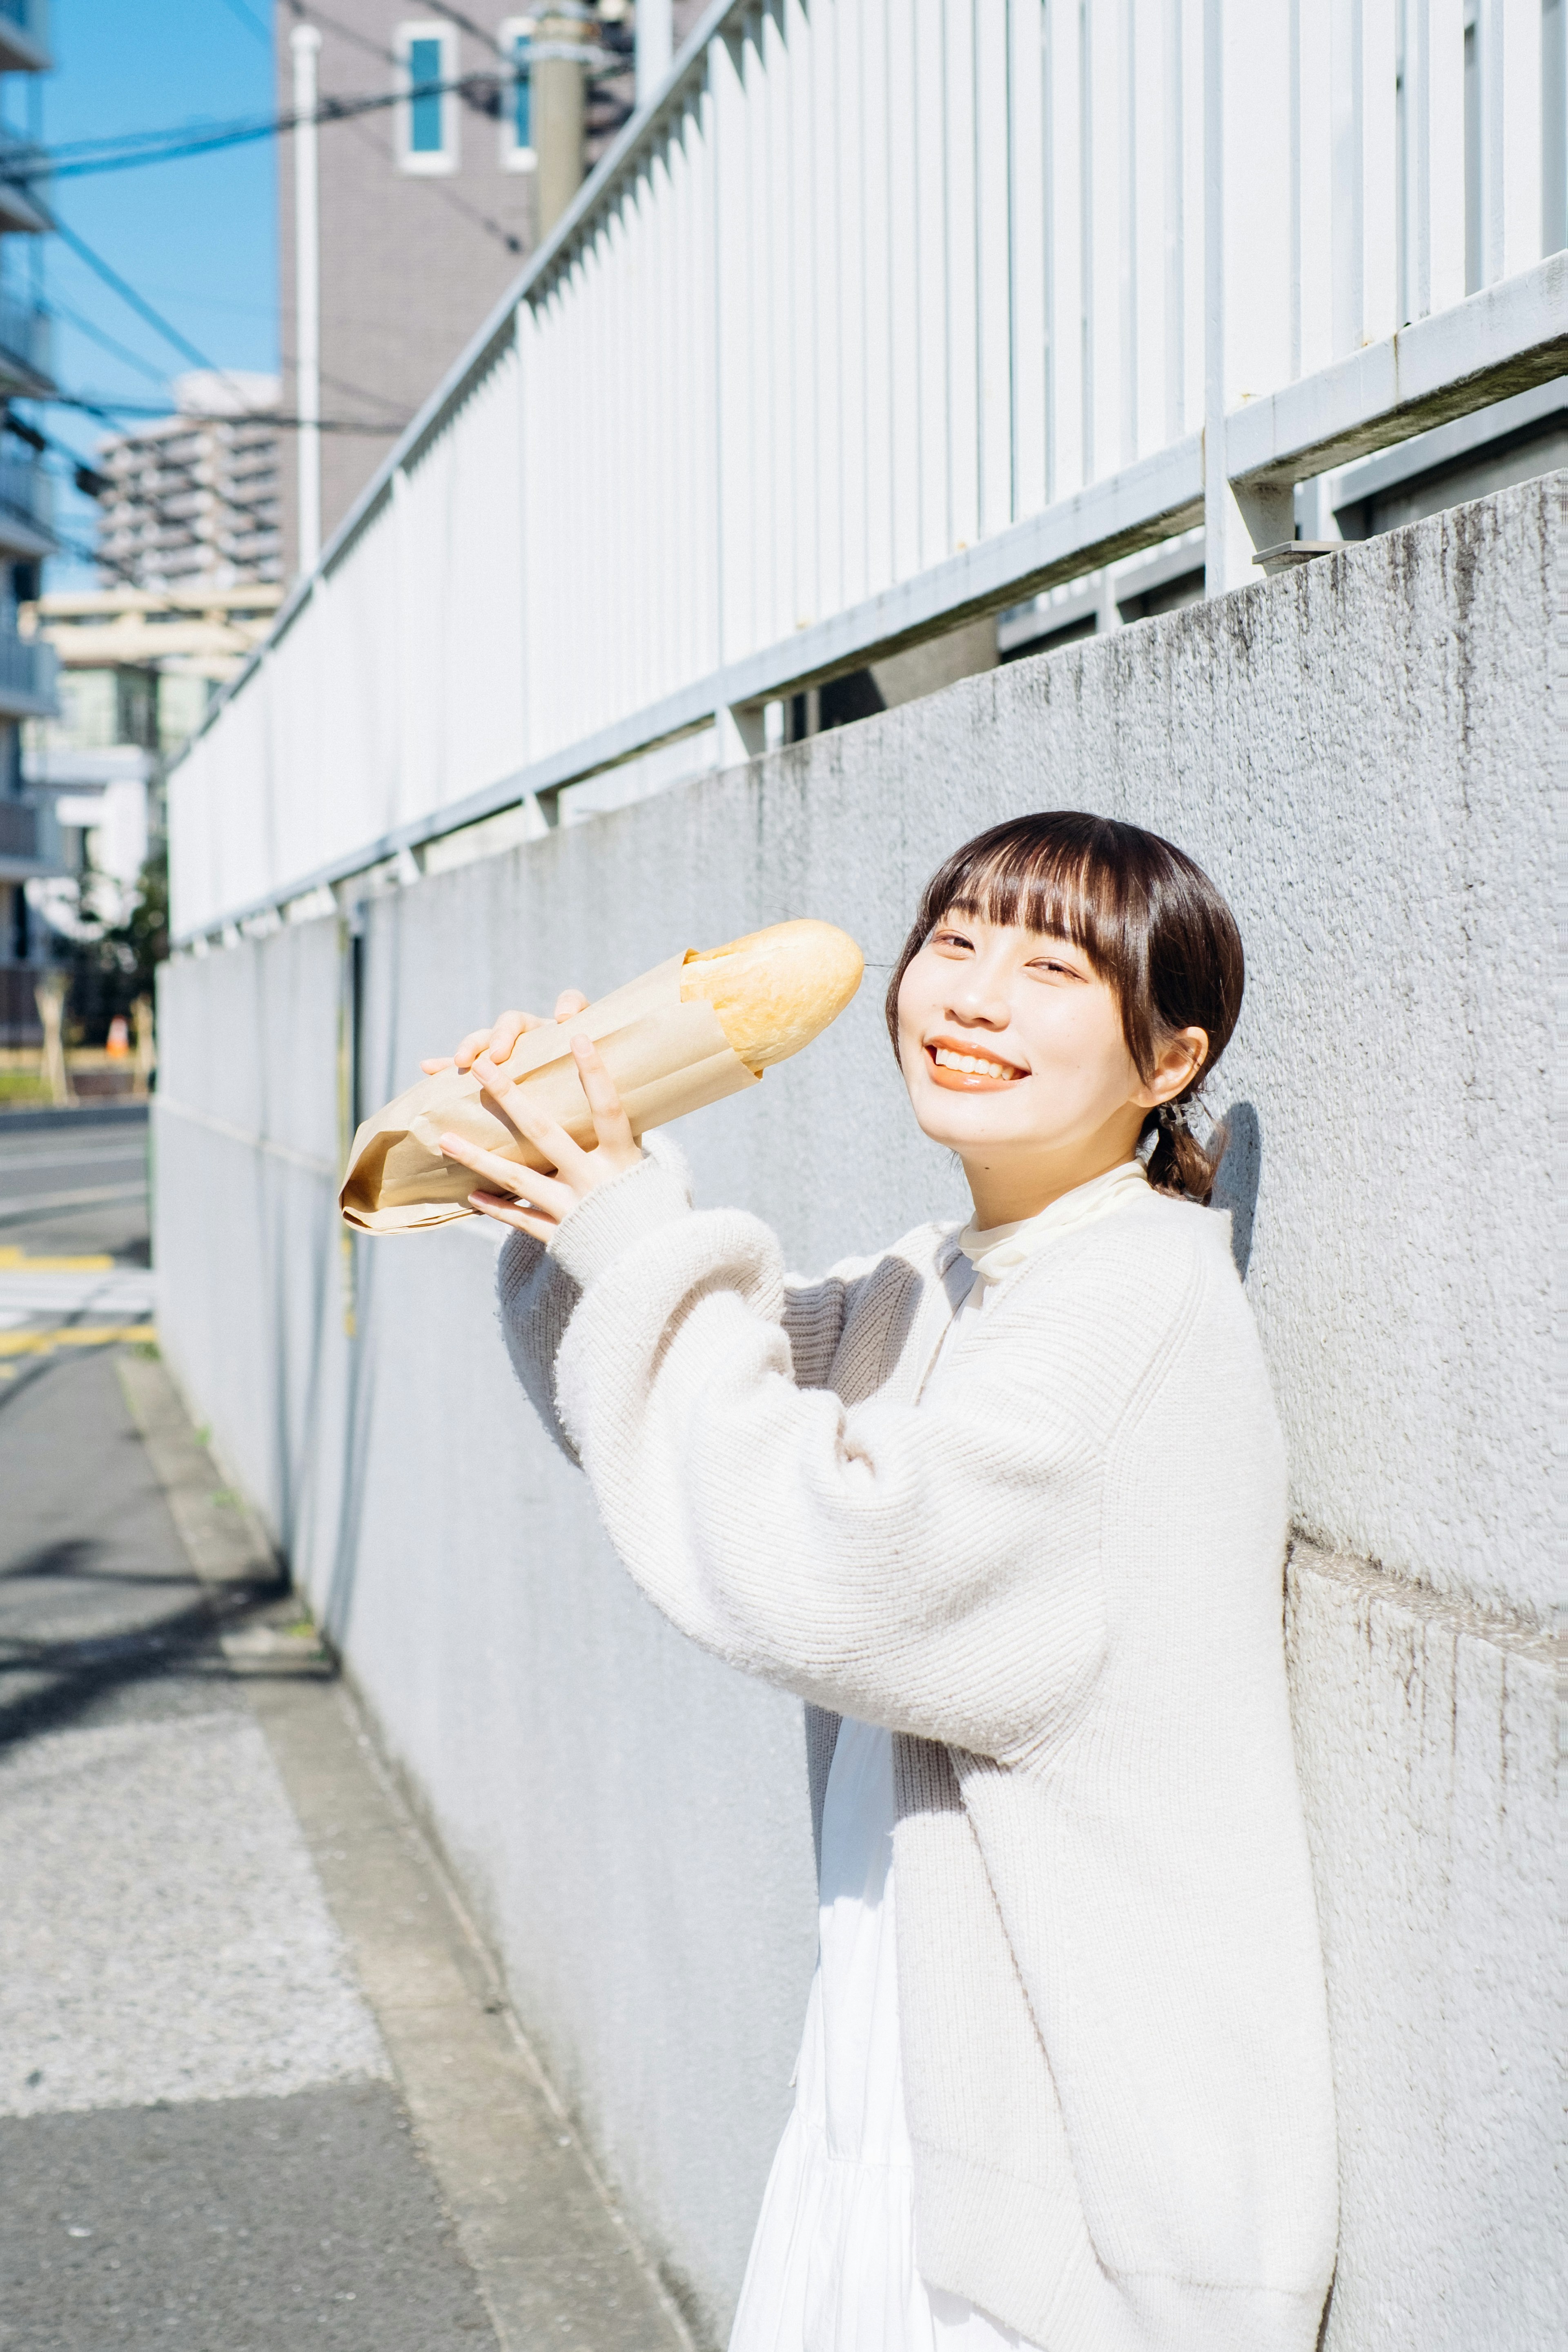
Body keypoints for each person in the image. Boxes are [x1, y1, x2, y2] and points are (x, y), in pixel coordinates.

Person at [430, 812, 1339, 2352]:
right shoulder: (956, 1276)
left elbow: (816, 1556)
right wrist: (569, 1184)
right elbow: (682, 1408)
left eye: (1053, 968)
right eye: (958, 944)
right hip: (915, 2113)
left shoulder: (1129, 1310)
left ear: (1167, 1064)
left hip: (1061, 2219)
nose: (975, 997)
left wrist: (637, 1234)